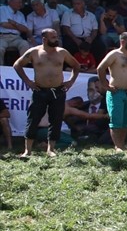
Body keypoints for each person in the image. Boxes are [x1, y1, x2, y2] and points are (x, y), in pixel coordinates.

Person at [13, 28, 80, 158]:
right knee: (33, 119)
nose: (56, 39)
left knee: (56, 120)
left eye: (56, 36)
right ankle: (28, 150)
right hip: (40, 91)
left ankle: (51, 149)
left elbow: (76, 66)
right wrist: (28, 81)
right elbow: (17, 65)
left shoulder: (62, 52)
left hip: (58, 91)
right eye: (53, 37)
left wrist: (71, 81)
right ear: (44, 39)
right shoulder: (34, 52)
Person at [95, 31, 127, 152]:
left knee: (125, 122)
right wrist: (105, 85)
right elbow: (101, 68)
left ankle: (122, 144)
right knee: (116, 121)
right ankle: (117, 146)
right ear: (123, 41)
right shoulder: (114, 54)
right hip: (116, 92)